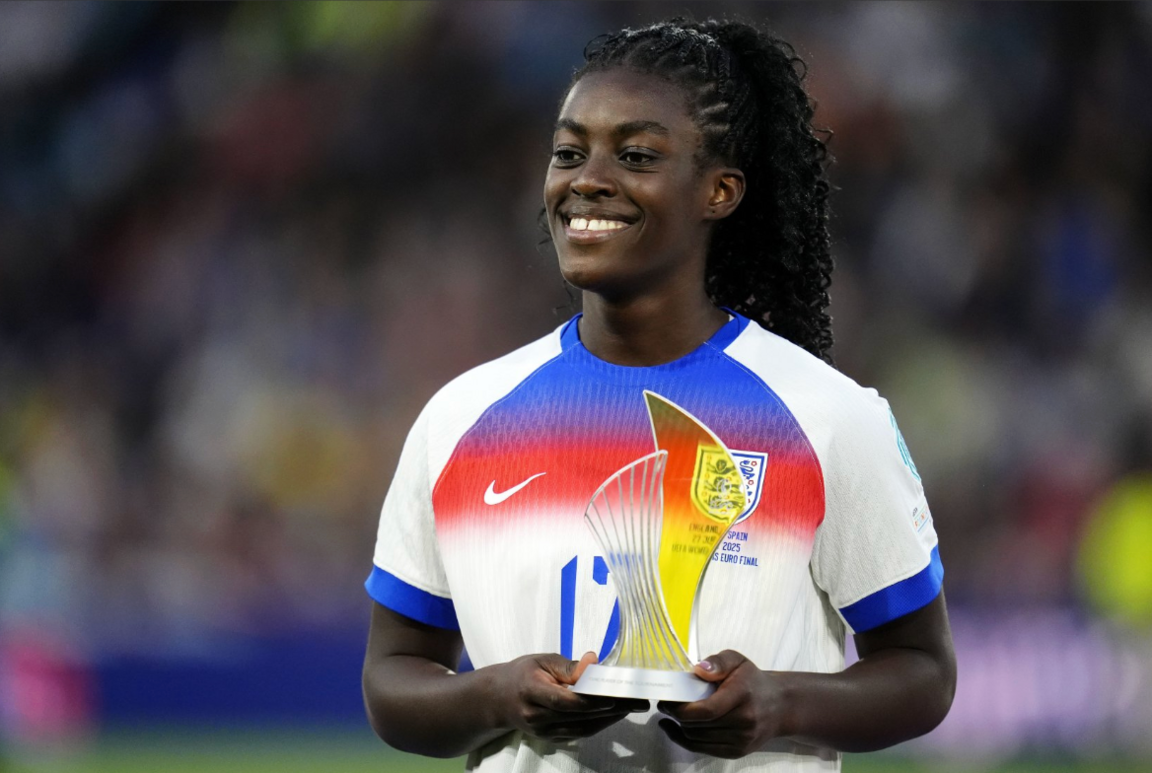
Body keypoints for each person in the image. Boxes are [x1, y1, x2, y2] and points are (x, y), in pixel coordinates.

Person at [362, 16, 956, 771]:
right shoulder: (459, 418)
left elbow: (924, 672)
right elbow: (391, 681)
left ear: (720, 190)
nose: (588, 180)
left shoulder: (830, 418)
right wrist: (499, 694)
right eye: (569, 152)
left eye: (636, 154)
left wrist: (779, 701)